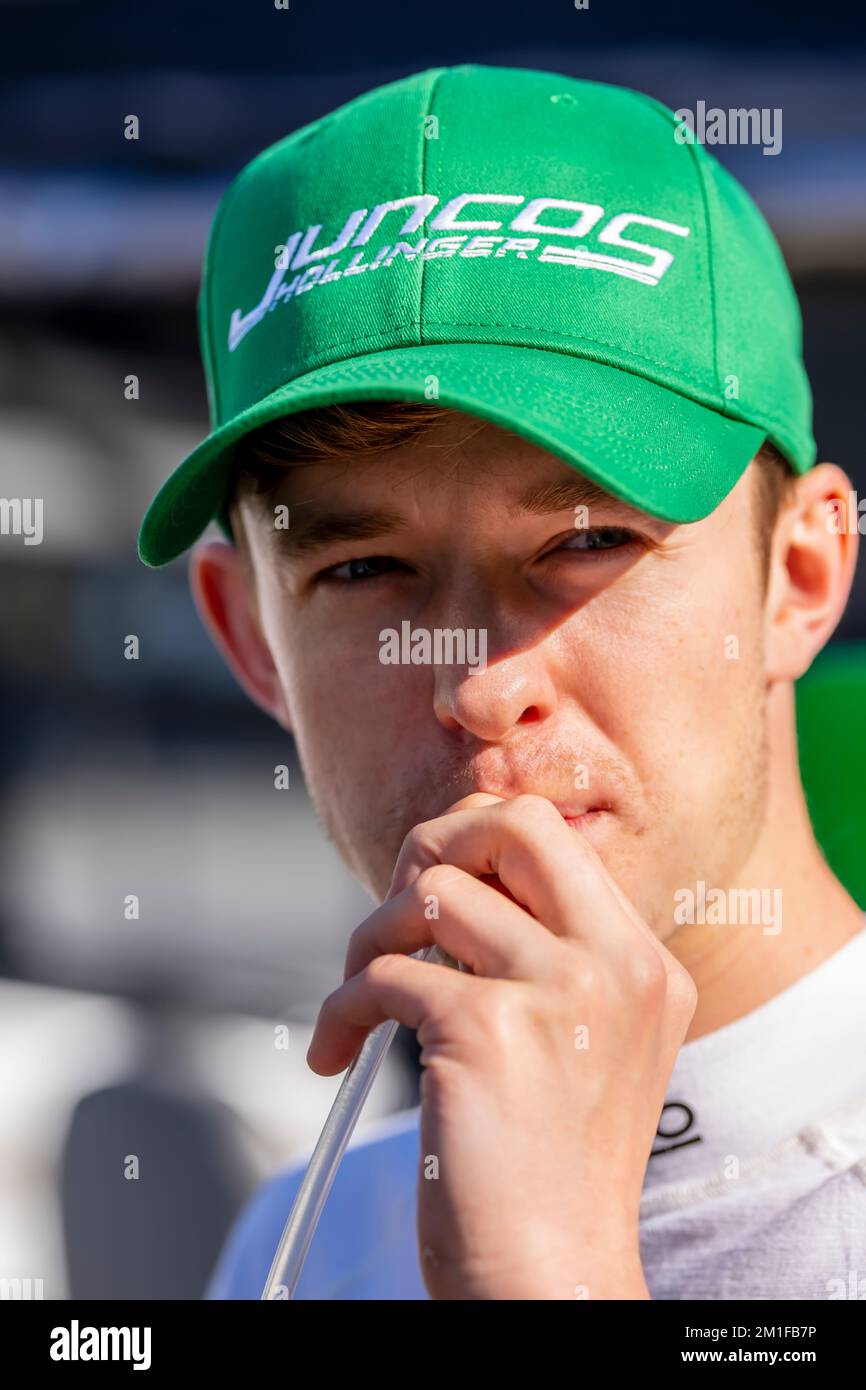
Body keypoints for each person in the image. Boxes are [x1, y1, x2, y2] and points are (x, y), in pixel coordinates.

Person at [138, 64, 866, 1299]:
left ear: (797, 576)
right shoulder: (296, 1236)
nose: (474, 686)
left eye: (585, 541)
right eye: (366, 567)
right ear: (250, 640)